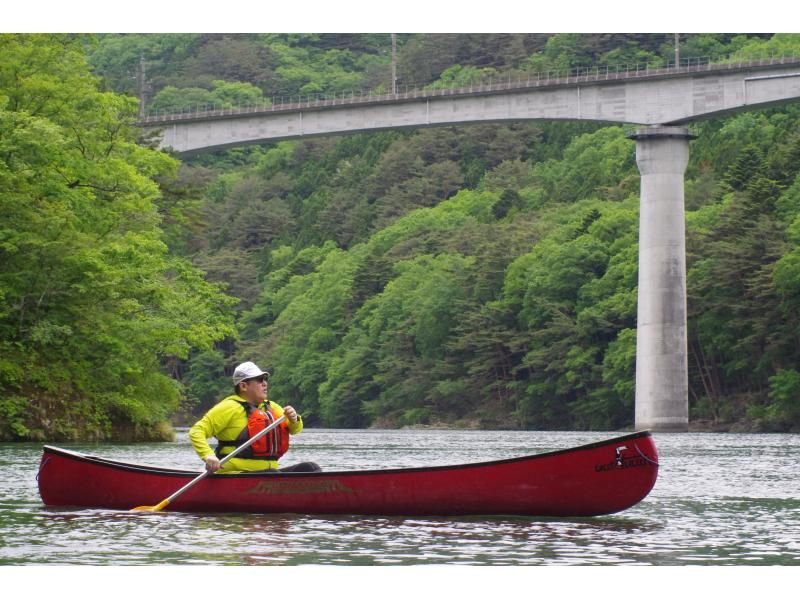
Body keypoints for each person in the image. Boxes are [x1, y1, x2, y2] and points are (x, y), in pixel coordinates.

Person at [189, 361, 321, 473]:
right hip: (238, 474)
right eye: (259, 380)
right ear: (243, 386)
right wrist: (208, 456)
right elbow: (197, 431)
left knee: (311, 468)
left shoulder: (272, 407)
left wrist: (294, 419)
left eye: (265, 379)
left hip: (270, 474)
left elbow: (295, 429)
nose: (264, 383)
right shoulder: (228, 407)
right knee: (271, 475)